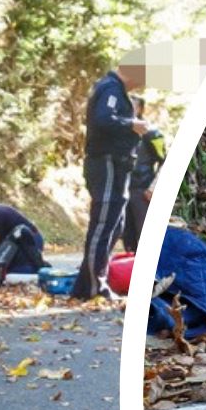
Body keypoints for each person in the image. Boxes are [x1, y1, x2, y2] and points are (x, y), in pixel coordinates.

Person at [71, 53, 149, 299]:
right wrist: (131, 124)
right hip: (105, 163)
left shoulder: (116, 90)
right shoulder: (110, 88)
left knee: (116, 224)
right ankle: (95, 287)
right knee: (103, 224)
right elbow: (103, 119)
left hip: (120, 165)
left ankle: (85, 285)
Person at [123, 96, 166, 252]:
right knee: (127, 235)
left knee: (145, 235)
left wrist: (153, 188)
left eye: (132, 106)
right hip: (122, 191)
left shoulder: (152, 133)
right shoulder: (119, 132)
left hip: (142, 190)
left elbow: (166, 161)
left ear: (139, 109)